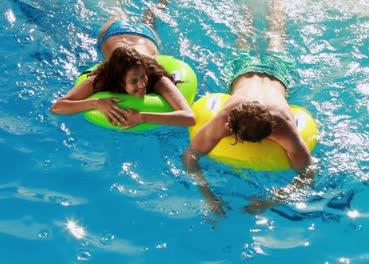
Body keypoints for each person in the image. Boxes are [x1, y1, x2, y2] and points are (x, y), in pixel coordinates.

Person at [182, 0, 316, 216]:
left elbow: (191, 157)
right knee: (276, 38)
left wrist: (268, 202)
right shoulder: (234, 117)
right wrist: (209, 197)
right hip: (266, 73)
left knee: (250, 38)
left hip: (262, 73)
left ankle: (249, 8)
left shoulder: (283, 126)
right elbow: (306, 174)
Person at [50, 2, 195, 129]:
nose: (142, 84)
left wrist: (142, 117)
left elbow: (189, 117)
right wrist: (96, 103)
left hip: (145, 36)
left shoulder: (154, 75)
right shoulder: (103, 78)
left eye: (142, 77)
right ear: (119, 81)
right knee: (116, 12)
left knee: (149, 19)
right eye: (134, 81)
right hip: (114, 31)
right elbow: (57, 107)